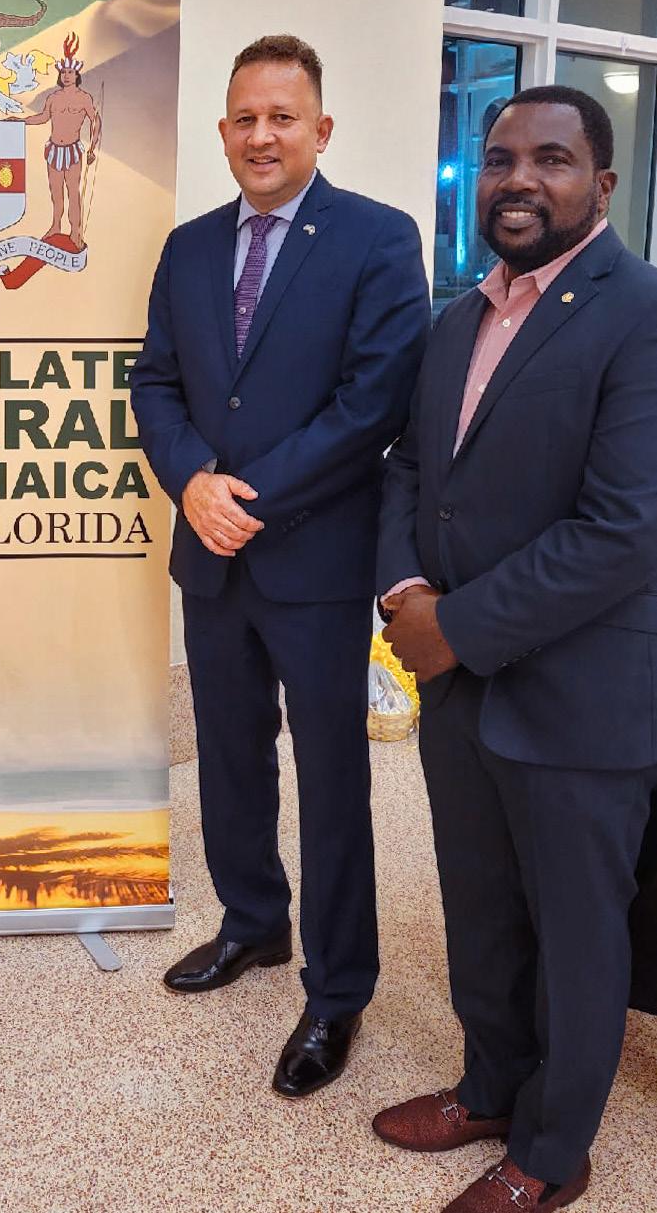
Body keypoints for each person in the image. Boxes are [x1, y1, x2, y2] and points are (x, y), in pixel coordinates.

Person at [375, 85, 657, 1211]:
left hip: (582, 695)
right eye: (499, 159)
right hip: (461, 695)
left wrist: (454, 627)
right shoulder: (460, 315)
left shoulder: (641, 311)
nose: (520, 180)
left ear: (602, 182)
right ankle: (490, 1085)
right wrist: (405, 588)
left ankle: (551, 1150)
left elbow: (626, 526)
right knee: (479, 907)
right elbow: (409, 467)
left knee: (577, 935)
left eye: (551, 158)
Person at [131, 35, 429, 1097]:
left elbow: (373, 403)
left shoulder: (379, 239)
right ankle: (252, 920)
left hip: (316, 560)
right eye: (245, 119)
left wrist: (240, 496)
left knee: (333, 778)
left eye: (282, 117)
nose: (262, 135)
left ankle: (338, 988)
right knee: (227, 753)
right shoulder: (188, 247)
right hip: (210, 555)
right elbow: (156, 382)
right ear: (223, 132)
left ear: (321, 129)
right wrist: (190, 482)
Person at [17, 33, 101, 249]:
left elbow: (95, 121)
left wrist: (92, 148)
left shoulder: (84, 98)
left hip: (73, 151)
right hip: (54, 149)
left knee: (73, 192)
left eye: (70, 72)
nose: (66, 76)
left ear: (77, 75)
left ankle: (75, 231)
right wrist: (21, 121)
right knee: (56, 193)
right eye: (63, 72)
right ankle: (55, 225)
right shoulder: (53, 98)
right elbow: (43, 117)